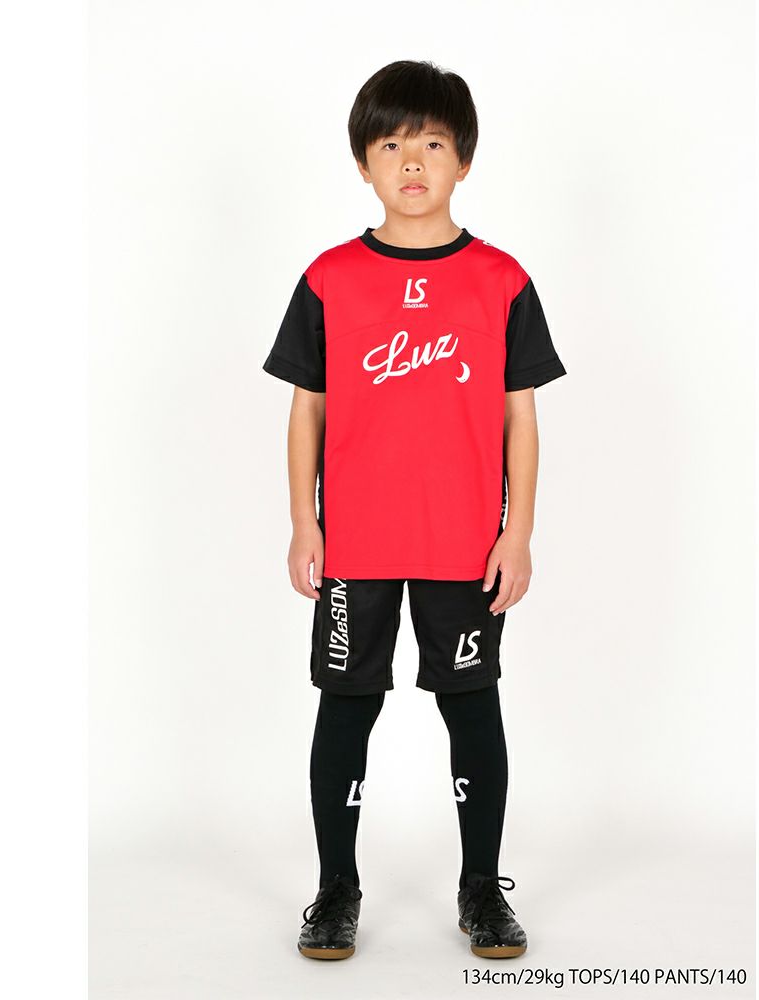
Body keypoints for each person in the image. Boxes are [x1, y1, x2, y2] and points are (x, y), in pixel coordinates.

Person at [262, 59, 566, 961]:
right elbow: (308, 408)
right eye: (391, 144)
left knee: (472, 709)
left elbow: (520, 414)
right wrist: (305, 520)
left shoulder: (501, 280)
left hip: (463, 545)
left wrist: (517, 531)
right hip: (355, 544)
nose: (411, 162)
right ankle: (335, 890)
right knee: (345, 710)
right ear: (363, 162)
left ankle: (481, 889)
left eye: (432, 143)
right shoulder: (331, 279)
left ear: (463, 160)